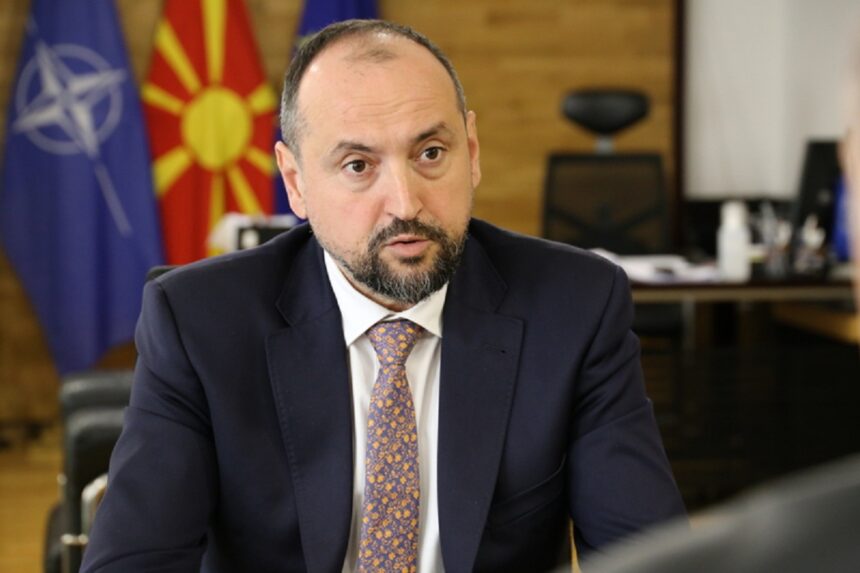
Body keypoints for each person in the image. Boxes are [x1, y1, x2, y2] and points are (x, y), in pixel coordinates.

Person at [81, 20, 685, 573]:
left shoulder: (575, 308)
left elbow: (649, 557)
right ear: (295, 181)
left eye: (430, 154)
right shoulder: (198, 324)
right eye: (357, 165)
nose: (405, 202)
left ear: (471, 151)